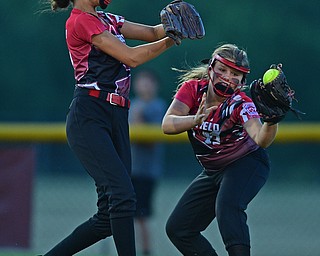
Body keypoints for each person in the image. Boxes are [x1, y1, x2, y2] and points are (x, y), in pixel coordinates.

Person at [41, 0, 179, 255]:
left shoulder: (107, 18)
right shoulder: (80, 20)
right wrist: (173, 39)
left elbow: (151, 32)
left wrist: (172, 25)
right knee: (123, 196)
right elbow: (132, 57)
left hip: (116, 115)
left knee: (109, 216)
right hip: (90, 116)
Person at [162, 43, 277, 256]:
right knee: (179, 229)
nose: (227, 77)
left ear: (242, 81)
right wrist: (194, 120)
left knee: (228, 208)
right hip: (214, 171)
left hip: (246, 163)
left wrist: (272, 120)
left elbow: (261, 139)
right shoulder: (193, 89)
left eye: (235, 74)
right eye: (222, 69)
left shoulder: (240, 102)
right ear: (210, 69)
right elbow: (167, 125)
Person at [129, 69, 166, 255]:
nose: (144, 85)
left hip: (146, 171)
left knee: (141, 215)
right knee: (122, 213)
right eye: (141, 81)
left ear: (155, 86)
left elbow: (151, 141)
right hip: (128, 169)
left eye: (148, 82)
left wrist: (138, 116)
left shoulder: (157, 106)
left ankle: (146, 251)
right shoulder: (132, 104)